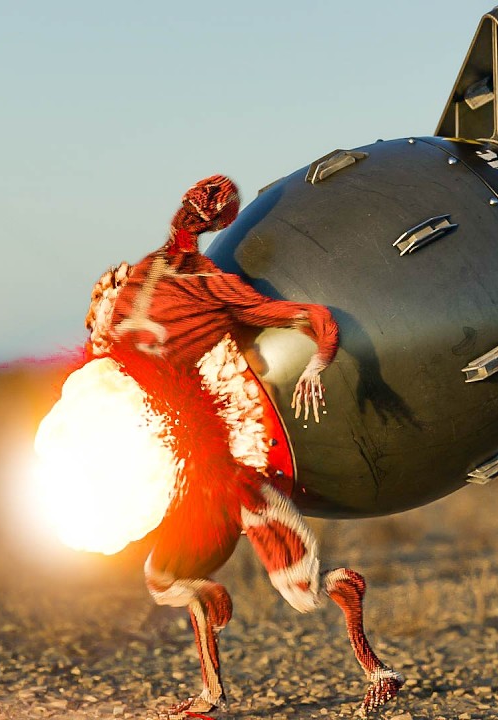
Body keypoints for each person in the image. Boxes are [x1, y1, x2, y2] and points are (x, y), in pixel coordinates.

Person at [85, 175, 403, 717]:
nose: (190, 213)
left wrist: (318, 364)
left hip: (220, 456)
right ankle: (217, 684)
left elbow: (314, 317)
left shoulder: (175, 278)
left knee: (240, 584)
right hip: (181, 446)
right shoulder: (155, 273)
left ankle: (361, 648)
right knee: (171, 577)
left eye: (197, 207)